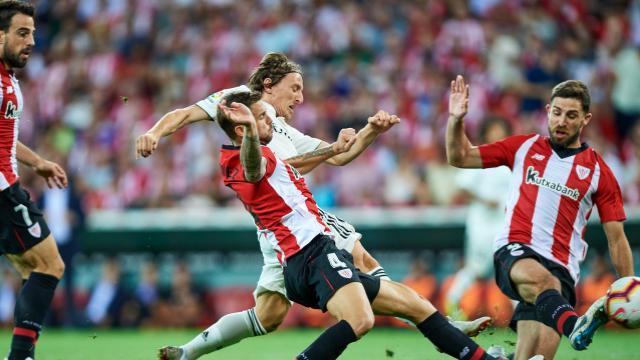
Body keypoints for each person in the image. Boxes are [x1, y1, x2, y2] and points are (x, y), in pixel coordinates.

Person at [136, 53, 490, 360]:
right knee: (348, 302)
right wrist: (154, 132)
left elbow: (336, 155)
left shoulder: (283, 132)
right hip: (290, 233)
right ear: (269, 85)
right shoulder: (238, 105)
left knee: (277, 311)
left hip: (303, 221)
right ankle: (435, 324)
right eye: (295, 88)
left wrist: (370, 131)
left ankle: (188, 352)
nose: (301, 98)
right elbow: (188, 118)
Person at [208, 91, 500, 360]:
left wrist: (346, 142)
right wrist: (249, 129)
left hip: (317, 251)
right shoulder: (242, 160)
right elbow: (253, 167)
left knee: (415, 305)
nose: (269, 119)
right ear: (240, 129)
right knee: (360, 320)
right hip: (309, 254)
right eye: (260, 116)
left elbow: (309, 161)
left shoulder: (269, 152)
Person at [445, 75, 635, 360]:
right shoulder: (523, 147)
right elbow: (459, 156)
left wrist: (630, 287)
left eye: (571, 115)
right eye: (557, 113)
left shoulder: (599, 172)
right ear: (548, 111)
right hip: (515, 250)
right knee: (545, 283)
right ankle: (575, 326)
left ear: (586, 119)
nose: (562, 121)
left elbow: (617, 239)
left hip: (562, 271)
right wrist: (456, 119)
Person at [0, 2, 68, 360]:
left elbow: (5, 138)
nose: (31, 42)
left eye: (33, 34)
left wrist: (38, 161)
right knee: (49, 265)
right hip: (2, 192)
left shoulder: (7, 79)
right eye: (22, 33)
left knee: (34, 268)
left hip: (8, 187)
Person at [445, 117, 512, 317]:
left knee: (511, 266)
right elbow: (462, 188)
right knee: (476, 268)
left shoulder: (512, 158)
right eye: (494, 129)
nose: (497, 133)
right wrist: (485, 200)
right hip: (481, 223)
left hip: (504, 222)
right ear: (487, 132)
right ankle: (453, 301)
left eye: (501, 129)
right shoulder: (479, 154)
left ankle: (522, 313)